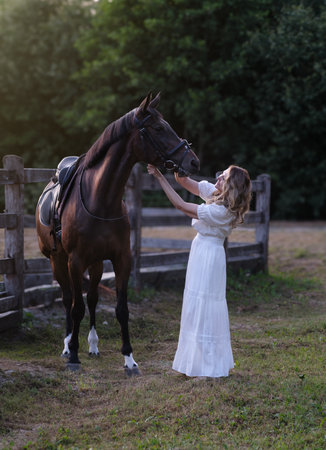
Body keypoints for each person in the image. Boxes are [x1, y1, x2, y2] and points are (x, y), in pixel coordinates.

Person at [147, 164, 251, 378]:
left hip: (210, 257)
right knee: (196, 303)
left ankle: (208, 366)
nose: (219, 177)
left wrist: (159, 177)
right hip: (201, 251)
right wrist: (177, 166)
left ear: (230, 186)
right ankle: (196, 362)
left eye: (223, 176)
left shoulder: (222, 211)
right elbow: (185, 182)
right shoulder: (216, 195)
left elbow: (181, 205)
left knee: (206, 305)